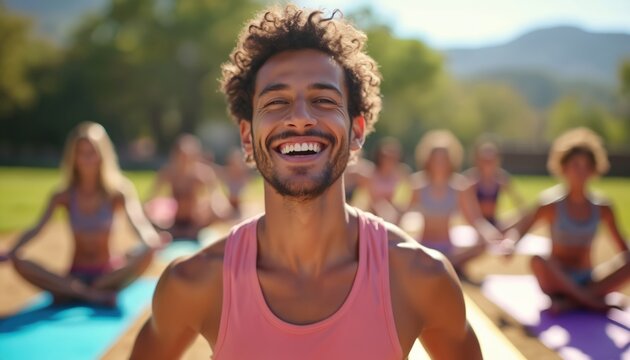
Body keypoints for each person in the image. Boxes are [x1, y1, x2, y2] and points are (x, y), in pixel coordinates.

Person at [131, 5, 481, 359]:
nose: (299, 118)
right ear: (248, 137)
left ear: (357, 131)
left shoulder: (421, 278)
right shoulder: (194, 283)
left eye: (323, 100)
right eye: (276, 101)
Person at [0, 122, 162, 306]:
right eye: (81, 153)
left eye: (92, 152)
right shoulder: (63, 195)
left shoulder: (118, 192)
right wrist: (12, 250)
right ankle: (90, 295)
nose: (87, 158)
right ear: (73, 157)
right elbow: (38, 228)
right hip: (75, 274)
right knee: (19, 261)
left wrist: (151, 240)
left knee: (147, 253)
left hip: (107, 276)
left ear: (102, 155)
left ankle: (78, 293)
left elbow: (137, 221)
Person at [503, 127, 630, 313]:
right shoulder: (550, 204)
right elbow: (520, 231)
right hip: (556, 282)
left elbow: (623, 250)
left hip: (589, 279)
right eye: (576, 165)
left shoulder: (603, 208)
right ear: (564, 167)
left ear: (594, 169)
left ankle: (572, 303)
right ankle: (590, 301)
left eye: (586, 165)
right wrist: (510, 243)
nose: (581, 171)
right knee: (538, 261)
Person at [407, 130, 504, 278]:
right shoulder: (418, 185)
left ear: (451, 160)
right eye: (436, 159)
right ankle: (445, 267)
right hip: (424, 247)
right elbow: (402, 215)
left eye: (444, 159)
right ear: (428, 159)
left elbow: (476, 220)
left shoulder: (459, 186)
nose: (440, 163)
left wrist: (494, 236)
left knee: (480, 245)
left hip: (449, 250)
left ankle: (445, 265)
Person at [144, 134, 234, 240]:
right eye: (182, 156)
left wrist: (217, 208)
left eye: (189, 156)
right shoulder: (169, 173)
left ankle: (189, 232)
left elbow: (217, 197)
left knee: (219, 212)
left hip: (195, 223)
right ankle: (179, 232)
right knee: (145, 216)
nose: (185, 160)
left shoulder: (202, 174)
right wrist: (146, 210)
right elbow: (151, 196)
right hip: (176, 222)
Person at [464, 140, 524, 228]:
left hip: (494, 222)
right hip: (476, 224)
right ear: (478, 160)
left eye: (491, 160)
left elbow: (521, 205)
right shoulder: (471, 180)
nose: (488, 163)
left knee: (521, 219)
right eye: (485, 160)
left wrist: (509, 220)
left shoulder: (501, 178)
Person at [354, 137, 411, 224]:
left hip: (392, 216)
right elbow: (363, 200)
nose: (389, 160)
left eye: (393, 157)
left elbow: (404, 200)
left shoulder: (400, 174)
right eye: (385, 156)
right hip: (371, 214)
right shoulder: (369, 173)